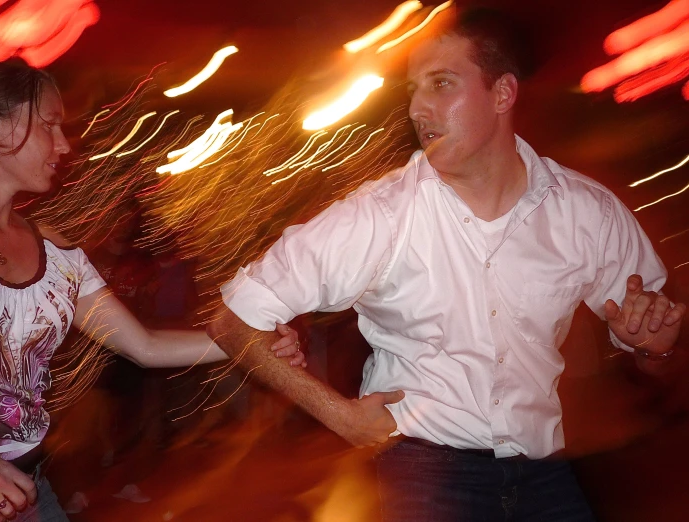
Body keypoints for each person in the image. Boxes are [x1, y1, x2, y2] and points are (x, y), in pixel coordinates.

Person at [207, 8, 686, 522]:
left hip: (544, 469)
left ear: (502, 94)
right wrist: (341, 416)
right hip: (427, 472)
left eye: (441, 84)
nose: (416, 108)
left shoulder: (585, 211)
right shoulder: (381, 216)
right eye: (413, 89)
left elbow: (655, 343)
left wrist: (651, 341)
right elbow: (232, 322)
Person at [0, 58, 305, 522]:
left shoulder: (56, 250)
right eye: (50, 125)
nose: (62, 145)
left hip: (28, 497)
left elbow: (145, 345)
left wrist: (249, 341)